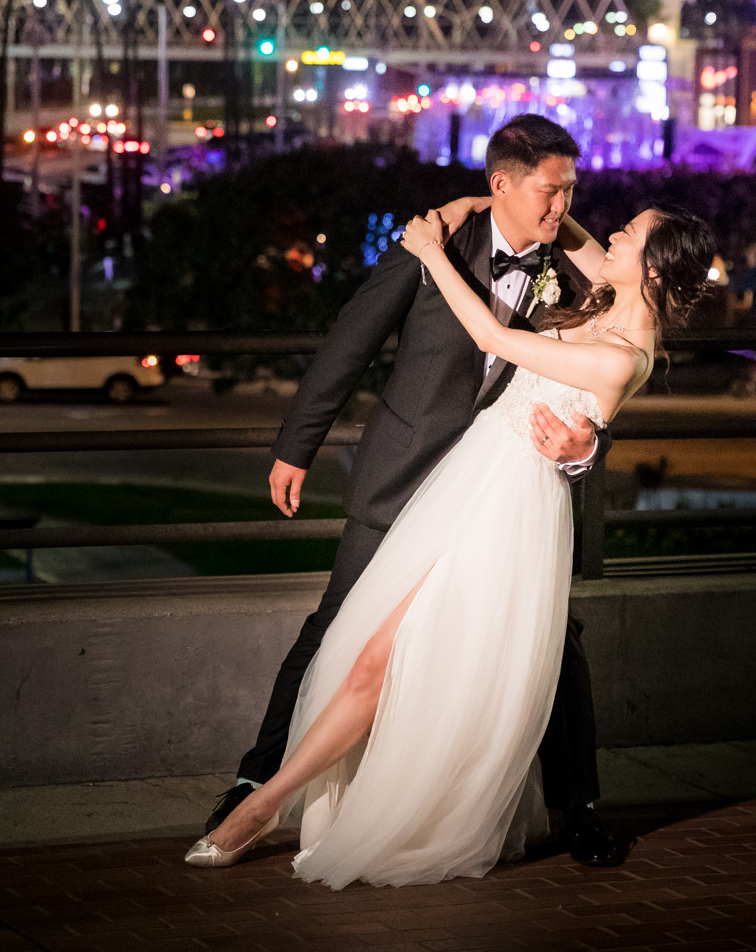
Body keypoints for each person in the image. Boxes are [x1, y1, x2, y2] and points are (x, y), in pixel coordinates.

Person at [188, 180, 717, 888]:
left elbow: (498, 338)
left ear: (653, 268)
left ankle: (264, 805)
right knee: (371, 652)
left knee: (398, 661)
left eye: (630, 233)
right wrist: (476, 202)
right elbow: (563, 225)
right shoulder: (607, 291)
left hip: (507, 513)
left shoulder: (624, 354)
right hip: (461, 488)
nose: (612, 235)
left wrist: (430, 250)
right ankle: (268, 795)